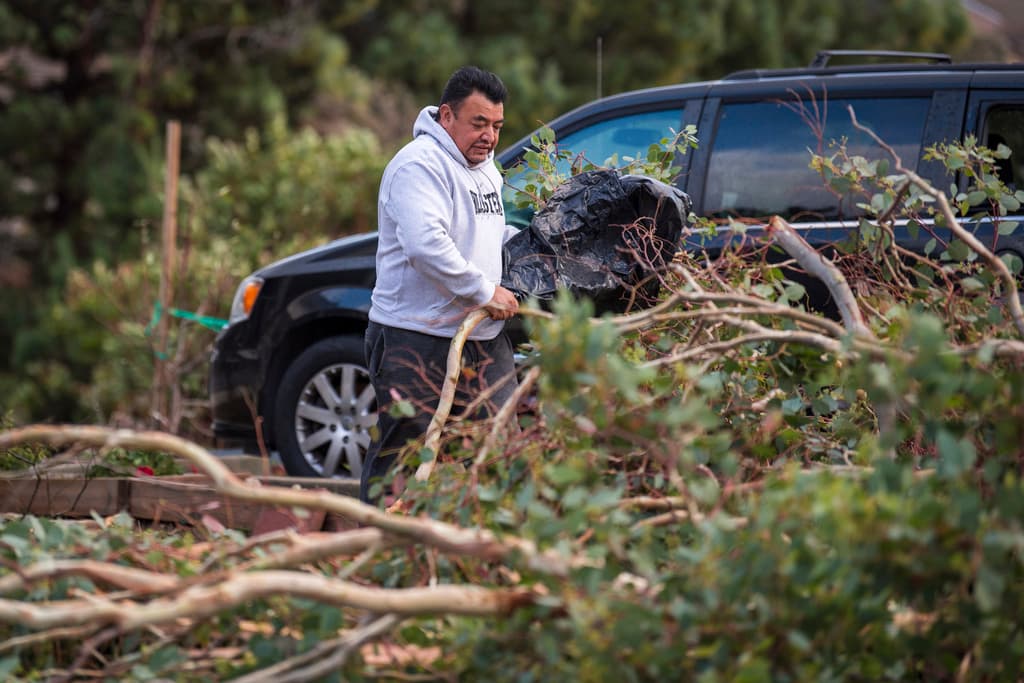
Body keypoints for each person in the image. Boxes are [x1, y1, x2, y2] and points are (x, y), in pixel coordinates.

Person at [359, 66, 520, 504]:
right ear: (446, 116)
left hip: (482, 338)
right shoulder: (417, 166)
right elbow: (426, 246)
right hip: (417, 338)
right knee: (404, 455)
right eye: (479, 123)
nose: (489, 136)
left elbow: (483, 234)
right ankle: (378, 549)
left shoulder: (486, 169)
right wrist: (485, 292)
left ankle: (488, 552)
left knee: (500, 447)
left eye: (497, 126)